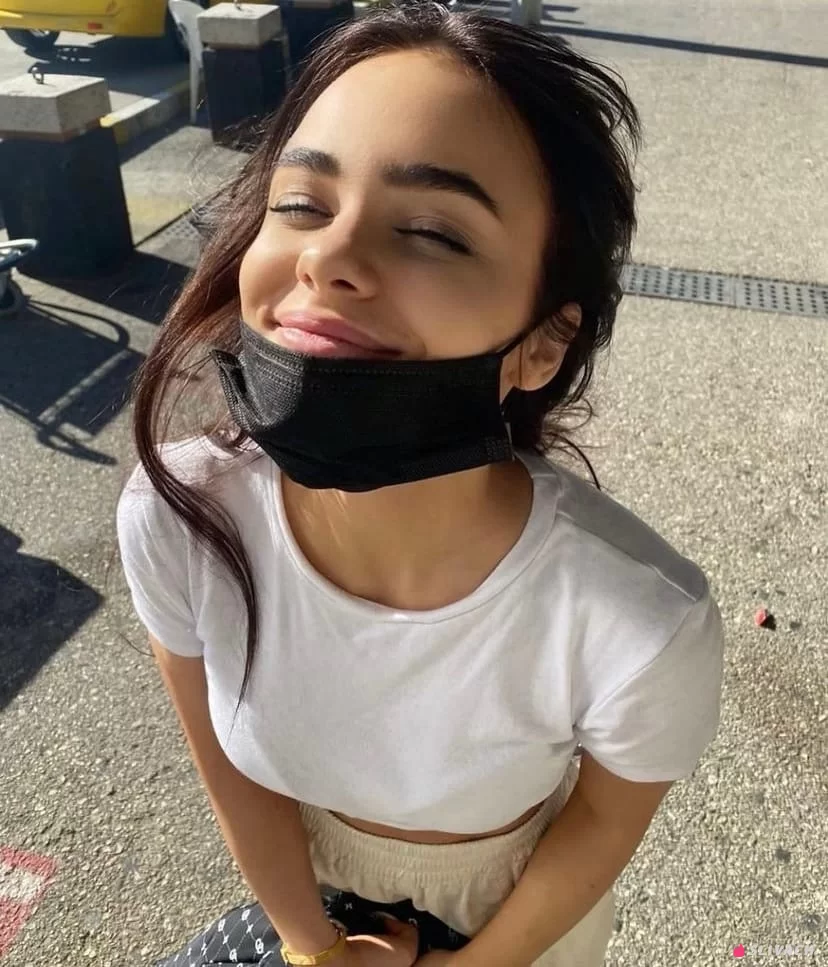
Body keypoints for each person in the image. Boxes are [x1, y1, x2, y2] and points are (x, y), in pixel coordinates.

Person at [116, 4, 725, 966]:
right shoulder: (180, 517)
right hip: (305, 894)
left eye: (434, 231)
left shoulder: (642, 618)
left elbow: (604, 822)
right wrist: (314, 946)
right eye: (302, 204)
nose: (327, 257)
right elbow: (234, 779)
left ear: (543, 344)